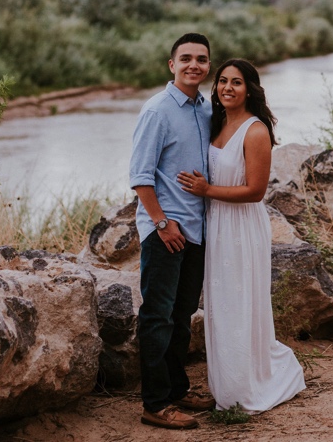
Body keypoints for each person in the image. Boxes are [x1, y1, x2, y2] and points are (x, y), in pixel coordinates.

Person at [176, 59, 306, 414]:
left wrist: (206, 189)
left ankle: (245, 387)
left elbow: (255, 191)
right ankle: (228, 384)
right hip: (215, 224)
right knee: (221, 306)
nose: (227, 88)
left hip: (241, 227)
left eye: (236, 82)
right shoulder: (215, 122)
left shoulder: (255, 131)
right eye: (222, 81)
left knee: (240, 304)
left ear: (250, 88)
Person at [130, 33, 216, 430]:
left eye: (201, 58)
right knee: (158, 316)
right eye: (186, 58)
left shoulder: (204, 109)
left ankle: (177, 390)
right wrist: (162, 223)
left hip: (195, 231)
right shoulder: (157, 111)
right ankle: (156, 404)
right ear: (171, 64)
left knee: (181, 316)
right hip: (166, 230)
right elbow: (140, 177)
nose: (193, 65)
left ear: (208, 65)